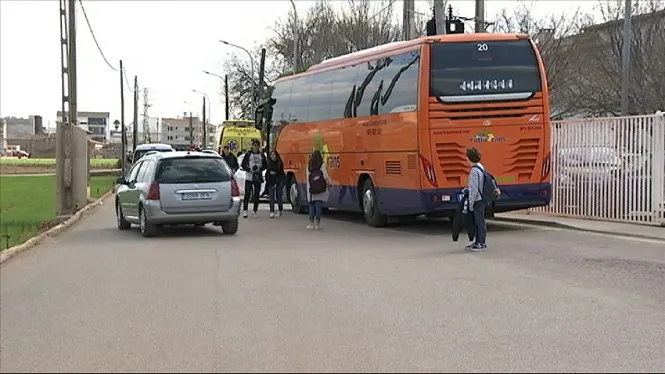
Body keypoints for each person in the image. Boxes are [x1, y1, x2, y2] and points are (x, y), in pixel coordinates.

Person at [465, 147, 500, 252]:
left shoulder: (474, 171)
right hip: (482, 198)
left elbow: (474, 189)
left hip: (477, 199)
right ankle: (478, 241)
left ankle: (481, 243)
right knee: (478, 220)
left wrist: (470, 203)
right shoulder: (481, 167)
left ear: (469, 158)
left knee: (479, 221)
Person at [240, 139, 267, 218]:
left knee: (256, 194)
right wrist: (249, 169)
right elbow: (243, 165)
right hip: (249, 176)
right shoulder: (248, 155)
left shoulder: (261, 155)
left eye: (257, 145)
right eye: (254, 145)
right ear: (252, 146)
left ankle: (255, 211)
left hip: (257, 176)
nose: (255, 147)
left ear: (259, 146)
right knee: (247, 194)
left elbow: (265, 165)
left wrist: (260, 168)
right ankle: (245, 210)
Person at [306, 150, 331, 230]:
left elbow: (307, 177)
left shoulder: (309, 165)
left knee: (311, 205)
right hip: (320, 188)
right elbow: (325, 176)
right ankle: (317, 224)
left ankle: (311, 223)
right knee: (318, 205)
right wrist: (329, 184)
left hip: (311, 188)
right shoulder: (322, 165)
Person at [266, 150, 285, 218]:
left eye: (274, 155)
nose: (272, 156)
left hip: (279, 180)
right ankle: (272, 211)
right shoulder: (269, 163)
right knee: (271, 196)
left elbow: (281, 172)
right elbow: (267, 173)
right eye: (271, 155)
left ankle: (280, 210)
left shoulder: (279, 162)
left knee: (278, 195)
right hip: (271, 180)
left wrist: (275, 173)